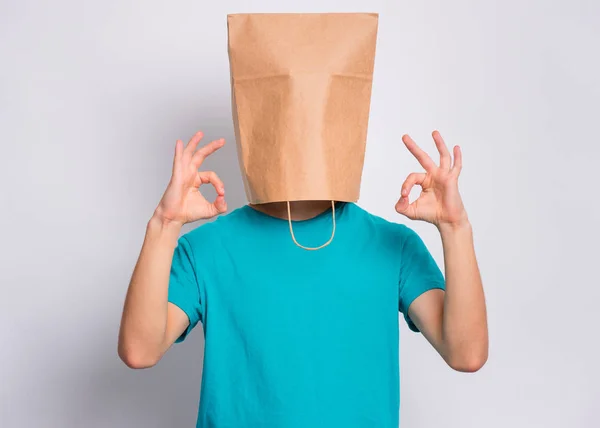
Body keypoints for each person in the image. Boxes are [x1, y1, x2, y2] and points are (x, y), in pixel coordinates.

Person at [118, 129, 488, 428]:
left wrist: (455, 228)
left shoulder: (394, 246)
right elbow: (139, 350)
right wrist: (164, 224)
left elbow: (466, 353)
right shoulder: (207, 248)